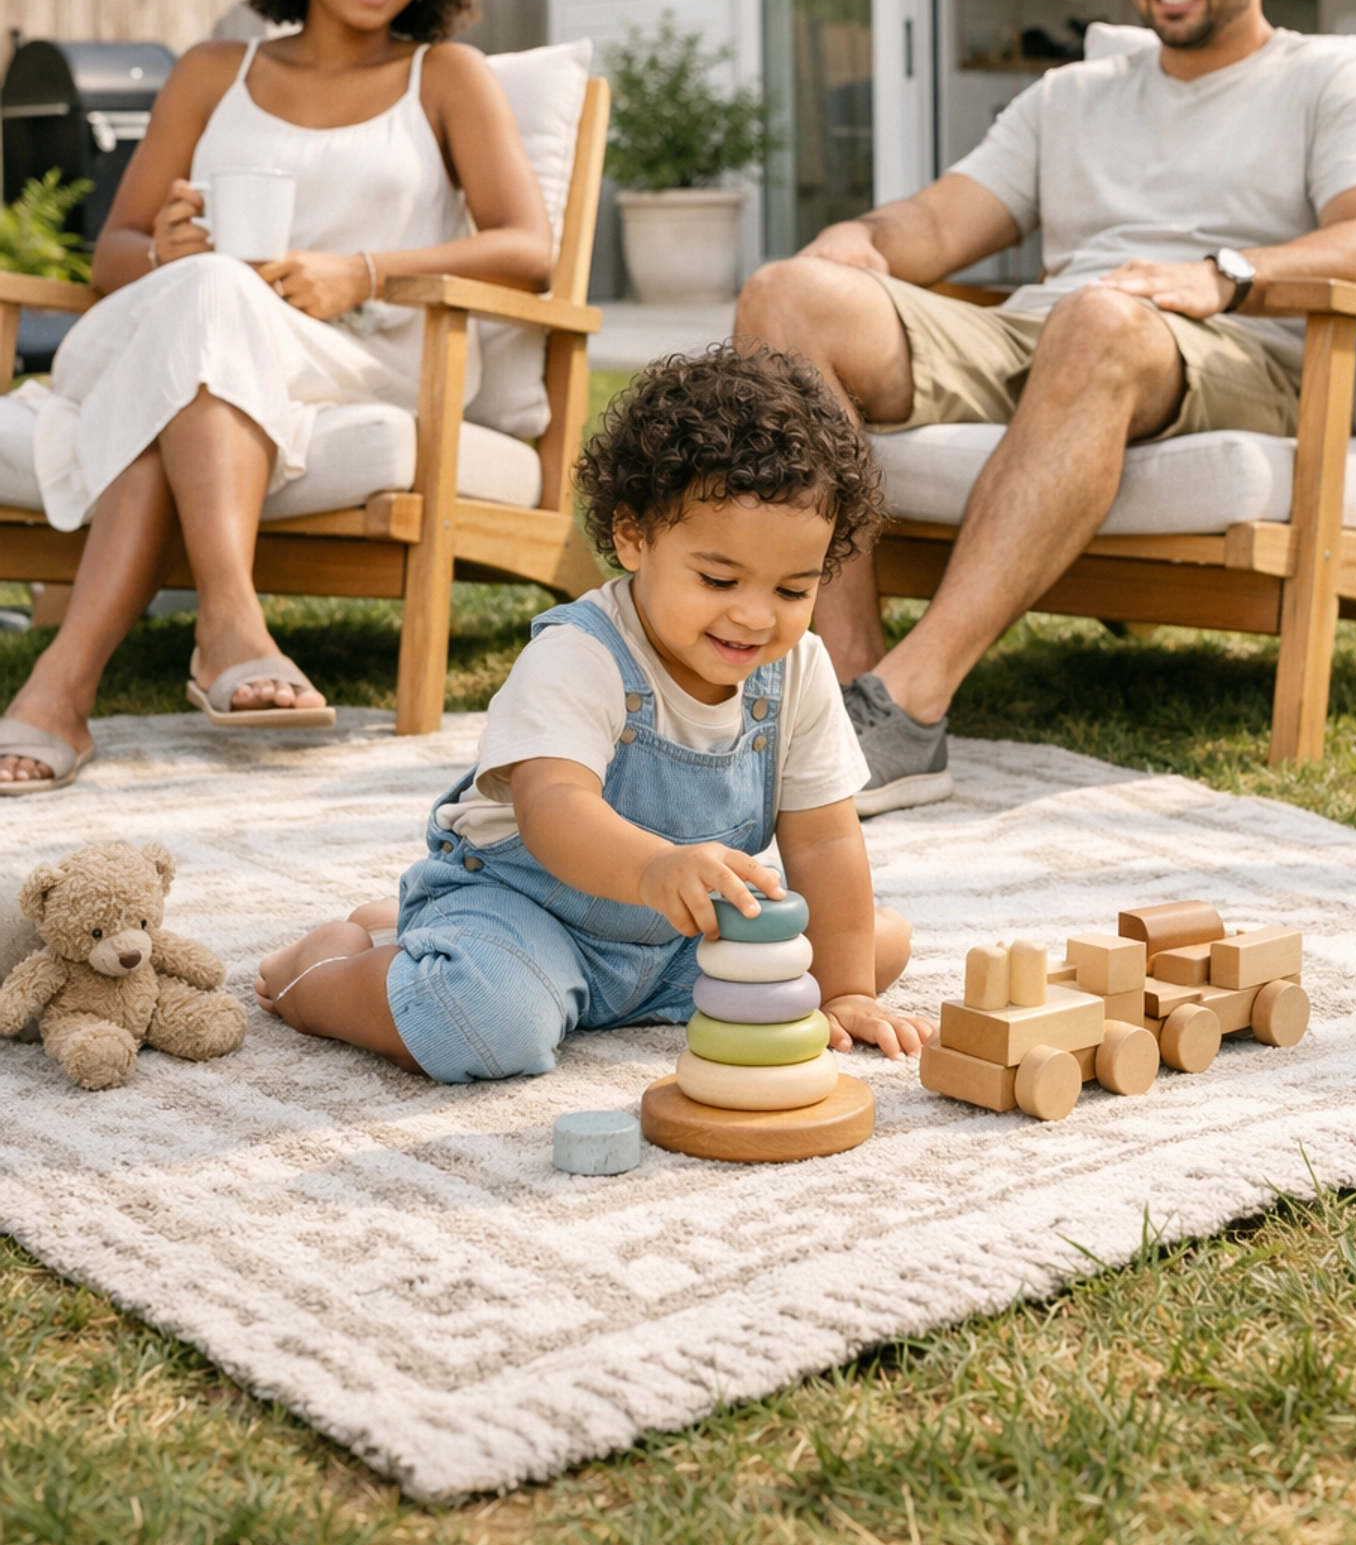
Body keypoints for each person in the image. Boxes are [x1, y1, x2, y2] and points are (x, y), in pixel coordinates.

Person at [736, 0, 1356, 814]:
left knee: (1099, 318)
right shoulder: (1073, 94)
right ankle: (847, 687)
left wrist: (1228, 273)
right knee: (783, 293)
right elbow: (936, 223)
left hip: (1236, 346)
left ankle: (911, 704)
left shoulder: (1332, 78)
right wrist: (858, 237)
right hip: (1056, 331)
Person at [0, 0, 554, 791]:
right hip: (202, 333)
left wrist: (365, 271)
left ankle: (92, 675)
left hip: (359, 359)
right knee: (202, 294)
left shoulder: (445, 76)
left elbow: (529, 249)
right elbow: (114, 256)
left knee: (188, 331)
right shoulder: (217, 72)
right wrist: (163, 246)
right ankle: (185, 644)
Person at [254, 346, 934, 1080]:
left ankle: (446, 955)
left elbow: (827, 843)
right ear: (632, 534)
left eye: (793, 590)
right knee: (487, 1026)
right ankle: (324, 973)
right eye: (718, 577)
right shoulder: (582, 654)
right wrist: (653, 870)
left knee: (868, 945)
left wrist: (849, 993)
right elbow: (553, 809)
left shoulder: (796, 670)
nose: (753, 615)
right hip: (528, 911)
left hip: (672, 944)